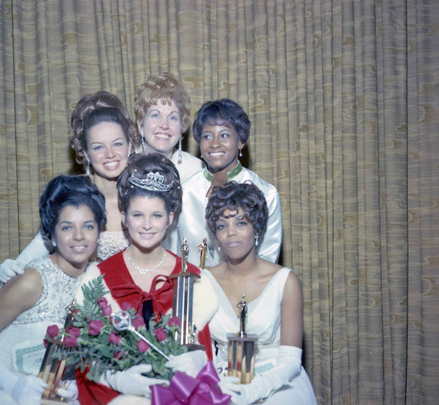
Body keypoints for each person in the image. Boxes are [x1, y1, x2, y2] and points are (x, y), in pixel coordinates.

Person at [0, 175, 107, 405]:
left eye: (88, 226)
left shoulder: (97, 280)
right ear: (51, 235)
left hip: (48, 393)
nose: (79, 236)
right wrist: (12, 384)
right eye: (66, 227)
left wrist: (72, 382)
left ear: (99, 232)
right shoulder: (33, 280)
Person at [76, 153, 218, 405]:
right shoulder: (97, 278)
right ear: (123, 217)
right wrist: (117, 379)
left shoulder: (194, 279)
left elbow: (202, 354)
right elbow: (85, 357)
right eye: (138, 215)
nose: (147, 225)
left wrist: (196, 359)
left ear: (170, 219)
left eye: (156, 215)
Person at [0, 92, 138, 282]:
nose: (110, 154)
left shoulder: (142, 193)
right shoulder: (73, 193)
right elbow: (45, 241)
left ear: (130, 146)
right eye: (98, 147)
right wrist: (17, 265)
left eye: (117, 144)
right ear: (86, 153)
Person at [205, 182, 317, 404]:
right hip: (223, 380)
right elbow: (198, 350)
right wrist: (220, 384)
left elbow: (291, 360)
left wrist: (254, 390)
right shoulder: (204, 281)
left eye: (240, 223)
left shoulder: (285, 282)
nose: (231, 233)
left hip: (279, 381)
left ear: (256, 228)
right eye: (221, 226)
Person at [172, 98, 282, 267]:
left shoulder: (266, 193)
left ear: (240, 141)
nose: (215, 144)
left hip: (247, 290)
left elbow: (267, 259)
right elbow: (174, 256)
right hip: (194, 289)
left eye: (224, 135)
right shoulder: (184, 193)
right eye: (207, 136)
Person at [134, 72, 204, 183]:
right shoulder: (123, 167)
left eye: (173, 118)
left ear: (182, 127)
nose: (164, 125)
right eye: (156, 115)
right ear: (141, 124)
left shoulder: (197, 171)